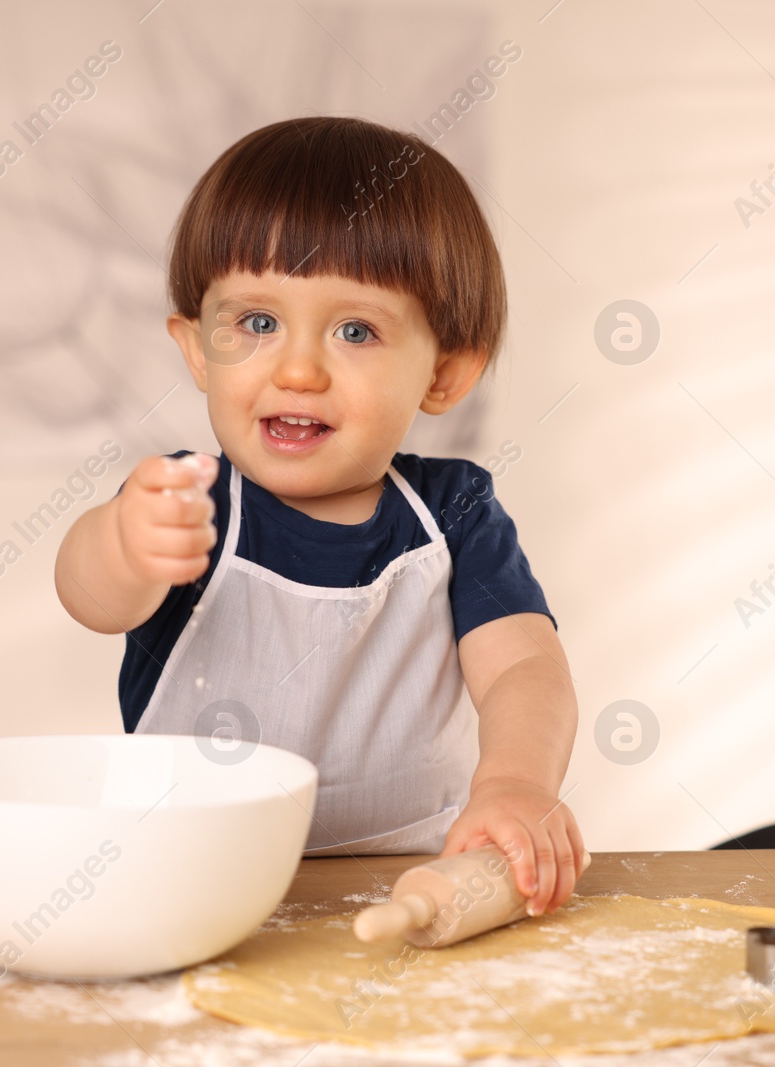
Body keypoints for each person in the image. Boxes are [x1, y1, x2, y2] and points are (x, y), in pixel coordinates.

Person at [55, 116, 587, 914]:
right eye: (258, 323)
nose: (298, 369)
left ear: (443, 372)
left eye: (355, 330)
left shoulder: (455, 513)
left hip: (407, 883)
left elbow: (523, 667)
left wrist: (514, 783)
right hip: (195, 889)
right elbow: (91, 594)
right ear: (198, 348)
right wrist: (126, 547)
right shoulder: (184, 499)